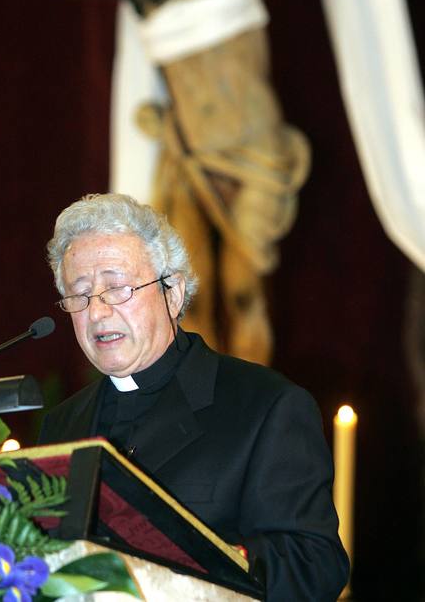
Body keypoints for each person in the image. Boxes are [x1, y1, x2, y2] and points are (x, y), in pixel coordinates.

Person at [0, 0, 425, 367]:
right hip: (189, 158)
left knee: (246, 292)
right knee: (183, 298)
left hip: (254, 155)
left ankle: (251, 409)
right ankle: (202, 409)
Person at [38, 192, 349, 602]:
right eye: (79, 295)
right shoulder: (62, 423)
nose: (96, 312)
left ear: (173, 292)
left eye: (116, 288)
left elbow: (316, 562)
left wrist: (196, 570)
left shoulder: (265, 406)